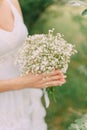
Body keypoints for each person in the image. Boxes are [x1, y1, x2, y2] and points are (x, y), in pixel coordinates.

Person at [0, 0, 66, 129]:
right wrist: (22, 82)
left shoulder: (12, 2)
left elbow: (20, 46)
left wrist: (43, 64)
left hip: (23, 93)